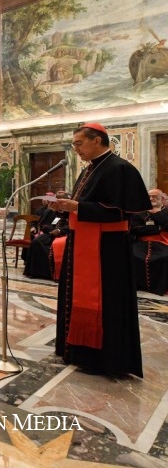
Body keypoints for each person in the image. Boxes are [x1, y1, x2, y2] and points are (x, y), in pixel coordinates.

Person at [53, 123, 150, 377]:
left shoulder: (120, 169)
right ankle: (77, 351)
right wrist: (66, 207)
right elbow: (82, 205)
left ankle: (103, 359)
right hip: (82, 243)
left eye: (79, 144)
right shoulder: (89, 170)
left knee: (107, 303)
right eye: (74, 145)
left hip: (107, 252)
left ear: (97, 140)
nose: (76, 150)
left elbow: (123, 212)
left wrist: (77, 207)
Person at [24, 191, 69, 280]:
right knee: (37, 241)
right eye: (58, 200)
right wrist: (50, 230)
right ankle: (35, 272)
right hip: (51, 234)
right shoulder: (50, 211)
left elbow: (71, 226)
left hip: (65, 234)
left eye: (62, 199)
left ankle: (49, 273)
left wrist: (59, 230)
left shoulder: (70, 210)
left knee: (47, 243)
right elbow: (43, 225)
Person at [131, 188, 168, 295]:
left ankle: (160, 287)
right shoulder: (139, 212)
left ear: (162, 199)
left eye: (155, 197)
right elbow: (136, 229)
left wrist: (157, 214)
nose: (151, 199)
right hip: (142, 242)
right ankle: (138, 285)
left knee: (165, 257)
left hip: (163, 242)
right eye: (149, 197)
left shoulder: (166, 211)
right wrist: (159, 228)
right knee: (133, 255)